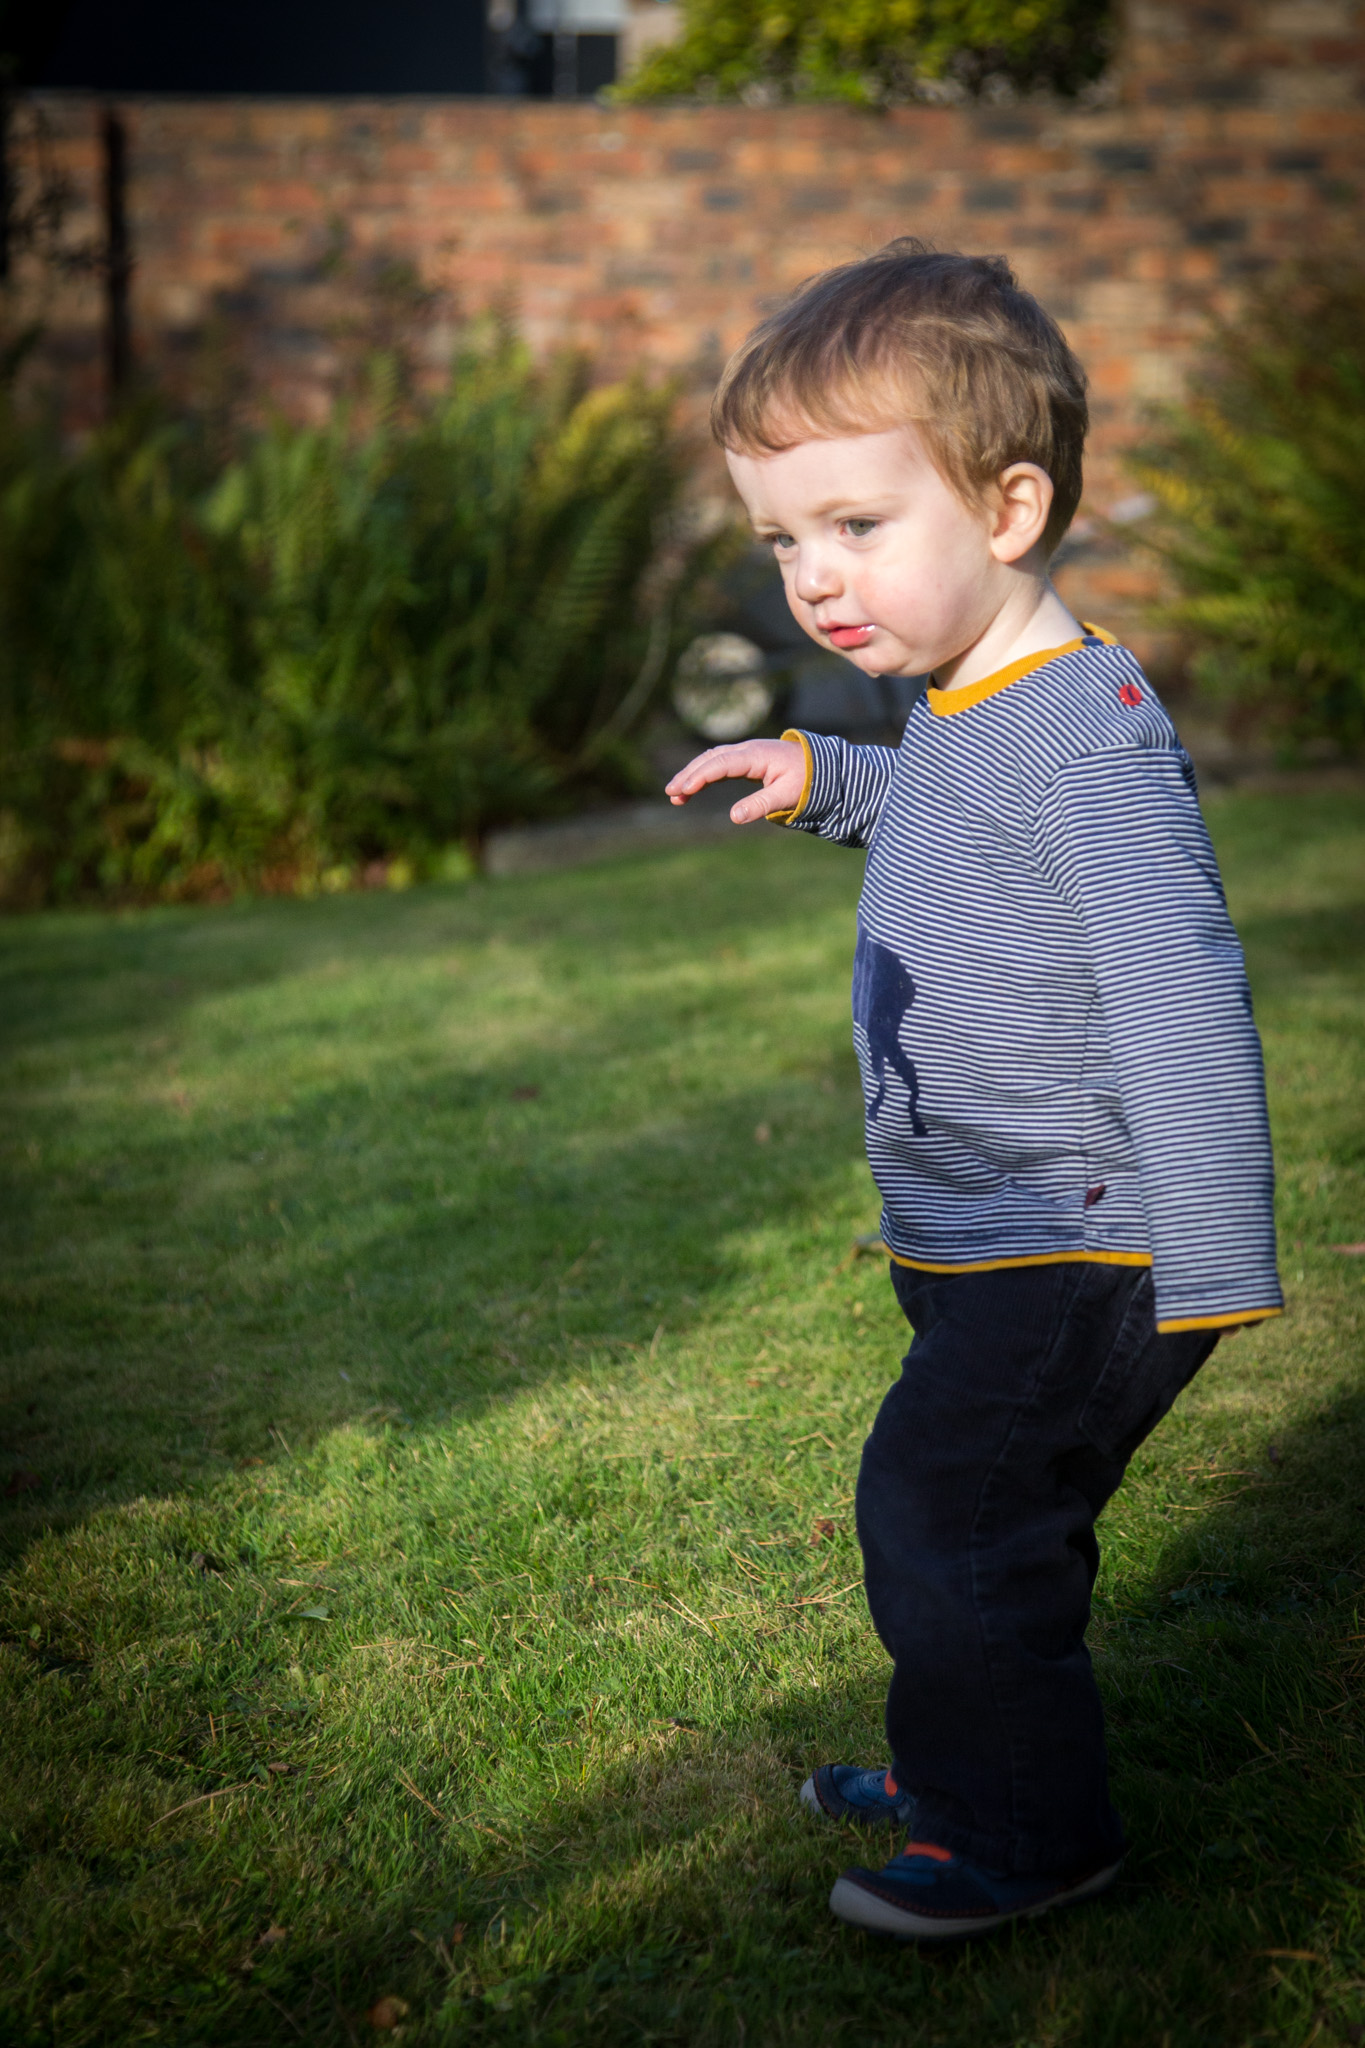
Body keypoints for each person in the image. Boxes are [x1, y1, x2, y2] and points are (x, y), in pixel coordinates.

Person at [665, 241, 1282, 1941]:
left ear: (1007, 510)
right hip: (986, 1238)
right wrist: (824, 775)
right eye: (784, 537)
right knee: (980, 1521)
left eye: (858, 528)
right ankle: (969, 1763)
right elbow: (950, 811)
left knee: (948, 1517)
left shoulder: (1084, 732)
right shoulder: (971, 702)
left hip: (1082, 1245)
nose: (811, 574)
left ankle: (1023, 1830)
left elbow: (1180, 990)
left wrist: (1213, 1253)